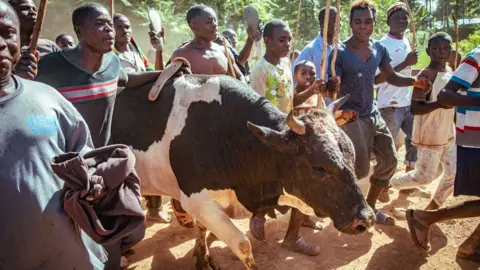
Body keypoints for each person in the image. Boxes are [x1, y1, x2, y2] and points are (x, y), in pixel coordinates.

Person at [29, 3, 170, 267]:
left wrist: (166, 74)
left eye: (109, 24)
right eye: (99, 24)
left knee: (131, 231)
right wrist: (22, 72)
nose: (109, 30)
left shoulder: (113, 63)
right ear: (79, 31)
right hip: (61, 173)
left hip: (100, 168)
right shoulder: (49, 68)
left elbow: (129, 79)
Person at [0, 2, 105, 268]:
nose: (1, 42)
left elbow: (84, 153)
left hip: (68, 256)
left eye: (6, 32)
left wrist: (94, 181)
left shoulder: (47, 98)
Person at [328, 0, 431, 225]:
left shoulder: (379, 49)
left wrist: (415, 82)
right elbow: (332, 88)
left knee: (390, 161)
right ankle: (351, 209)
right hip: (350, 116)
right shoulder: (339, 52)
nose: (363, 26)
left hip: (372, 112)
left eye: (367, 21)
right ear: (351, 24)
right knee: (361, 168)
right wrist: (330, 85)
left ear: (374, 23)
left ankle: (371, 207)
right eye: (358, 22)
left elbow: (391, 76)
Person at [249, 19, 330, 256]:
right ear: (267, 41)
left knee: (304, 182)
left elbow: (291, 101)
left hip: (290, 133)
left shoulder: (286, 63)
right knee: (269, 182)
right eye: (282, 39)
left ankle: (294, 232)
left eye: (288, 39)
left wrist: (313, 89)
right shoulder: (260, 71)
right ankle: (258, 213)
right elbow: (255, 108)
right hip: (272, 137)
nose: (288, 43)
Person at [406, 44, 480, 263]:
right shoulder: (476, 57)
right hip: (473, 140)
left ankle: (471, 246)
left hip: (453, 135)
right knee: (424, 176)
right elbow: (446, 95)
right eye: (437, 48)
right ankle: (424, 216)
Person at [113, 13, 171, 224]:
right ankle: (131, 212)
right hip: (123, 118)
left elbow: (155, 73)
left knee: (153, 159)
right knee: (130, 164)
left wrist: (159, 50)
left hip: (145, 113)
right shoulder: (110, 57)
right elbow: (125, 82)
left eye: (127, 27)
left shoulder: (136, 53)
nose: (124, 31)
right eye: (118, 27)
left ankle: (154, 209)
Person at [390, 32, 456, 211]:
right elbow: (415, 108)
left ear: (451, 50)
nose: (441, 51)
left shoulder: (450, 71)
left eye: (445, 48)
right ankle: (388, 184)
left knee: (453, 174)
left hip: (449, 133)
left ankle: (431, 209)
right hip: (431, 135)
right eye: (436, 48)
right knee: (424, 177)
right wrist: (439, 104)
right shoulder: (425, 75)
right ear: (428, 51)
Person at [375, 3, 418, 176]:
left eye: (405, 17)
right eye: (397, 18)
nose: (402, 20)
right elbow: (376, 80)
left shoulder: (406, 41)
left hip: (407, 102)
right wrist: (405, 63)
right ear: (388, 21)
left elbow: (408, 71)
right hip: (390, 105)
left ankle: (409, 175)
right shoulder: (381, 45)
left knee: (415, 139)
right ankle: (381, 180)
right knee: (387, 146)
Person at [170, 4, 244, 81]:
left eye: (215, 20)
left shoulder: (224, 51)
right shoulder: (181, 55)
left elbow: (239, 77)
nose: (215, 25)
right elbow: (170, 85)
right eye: (209, 22)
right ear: (194, 26)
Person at [293, 7, 337, 80]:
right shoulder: (310, 51)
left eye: (339, 21)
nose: (339, 25)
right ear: (323, 23)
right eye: (335, 21)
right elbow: (294, 80)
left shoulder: (341, 48)